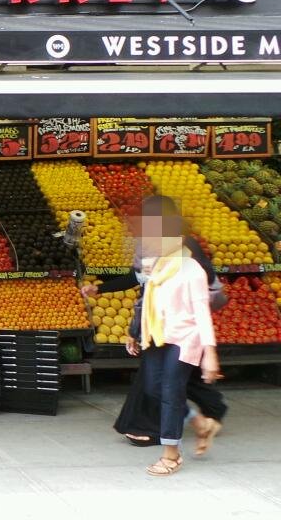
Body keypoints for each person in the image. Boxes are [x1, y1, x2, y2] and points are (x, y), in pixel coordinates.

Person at [82, 197, 227, 451]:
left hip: (184, 330)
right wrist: (102, 290)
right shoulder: (147, 249)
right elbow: (142, 284)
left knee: (165, 384)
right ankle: (202, 419)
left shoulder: (188, 252)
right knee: (160, 383)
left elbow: (204, 297)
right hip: (158, 329)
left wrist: (208, 348)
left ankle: (166, 444)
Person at [129, 198, 221, 476]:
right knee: (152, 388)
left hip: (185, 340)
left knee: (170, 391)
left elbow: (202, 313)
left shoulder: (192, 270)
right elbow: (147, 301)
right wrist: (135, 332)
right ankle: (198, 422)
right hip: (157, 336)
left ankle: (171, 454)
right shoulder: (155, 268)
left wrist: (210, 353)